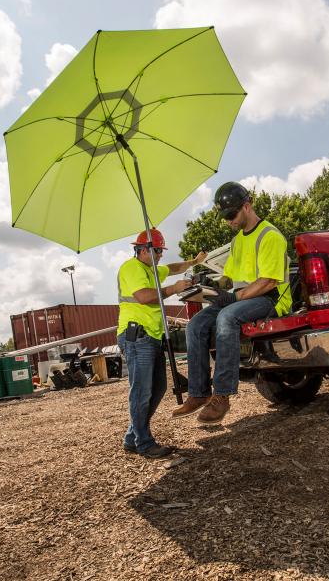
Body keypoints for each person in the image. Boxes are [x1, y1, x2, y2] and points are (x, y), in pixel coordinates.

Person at [173, 182, 291, 424]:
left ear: (247, 206)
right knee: (195, 325)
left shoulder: (270, 236)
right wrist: (210, 284)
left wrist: (233, 297)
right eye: (224, 216)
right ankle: (198, 393)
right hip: (240, 298)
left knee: (226, 318)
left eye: (231, 215)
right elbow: (228, 278)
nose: (228, 220)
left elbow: (268, 282)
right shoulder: (238, 241)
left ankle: (223, 395)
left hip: (268, 299)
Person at [117, 228, 205, 458]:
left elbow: (174, 268)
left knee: (158, 388)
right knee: (141, 391)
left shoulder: (152, 269)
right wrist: (172, 289)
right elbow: (144, 297)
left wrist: (193, 262)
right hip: (138, 336)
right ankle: (144, 443)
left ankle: (132, 438)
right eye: (157, 251)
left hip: (151, 336)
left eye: (161, 251)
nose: (160, 256)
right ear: (143, 250)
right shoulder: (132, 268)